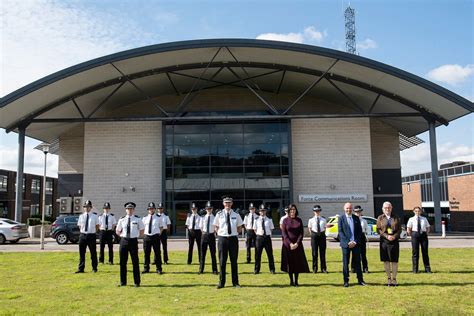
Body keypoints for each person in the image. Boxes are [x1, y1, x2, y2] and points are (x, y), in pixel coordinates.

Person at [213, 196, 243, 289]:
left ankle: (235, 282)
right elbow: (216, 226)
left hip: (233, 239)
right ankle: (221, 283)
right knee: (222, 261)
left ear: (232, 204)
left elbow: (239, 227)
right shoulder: (219, 214)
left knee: (234, 261)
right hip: (222, 239)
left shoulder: (236, 214)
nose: (227, 205)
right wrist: (221, 234)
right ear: (223, 204)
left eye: (229, 203)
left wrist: (233, 234)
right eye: (226, 203)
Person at [116, 202, 144, 287]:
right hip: (124, 241)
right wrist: (121, 235)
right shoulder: (122, 219)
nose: (129, 210)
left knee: (135, 262)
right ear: (125, 210)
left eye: (131, 209)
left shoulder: (137, 219)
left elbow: (142, 230)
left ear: (133, 210)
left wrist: (137, 236)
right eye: (128, 209)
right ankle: (123, 282)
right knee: (122, 262)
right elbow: (117, 230)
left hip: (133, 241)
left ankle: (137, 282)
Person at [338, 202, 366, 287]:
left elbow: (359, 232)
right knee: (345, 263)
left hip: (356, 244)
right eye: (347, 208)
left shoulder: (356, 218)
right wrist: (348, 242)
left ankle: (360, 280)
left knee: (358, 262)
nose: (348, 210)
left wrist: (355, 241)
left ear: (352, 209)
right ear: (344, 209)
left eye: (350, 208)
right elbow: (340, 232)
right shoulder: (341, 218)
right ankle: (346, 281)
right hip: (346, 245)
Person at [281, 204, 309, 287]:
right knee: (290, 263)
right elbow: (284, 234)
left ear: (296, 211)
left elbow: (301, 233)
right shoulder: (285, 220)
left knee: (297, 263)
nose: (292, 211)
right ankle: (291, 281)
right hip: (288, 246)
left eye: (294, 209)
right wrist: (290, 243)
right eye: (291, 210)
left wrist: (297, 243)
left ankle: (296, 281)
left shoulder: (299, 220)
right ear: (288, 211)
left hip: (297, 245)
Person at [376, 201, 402, 287]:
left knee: (394, 261)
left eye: (389, 207)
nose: (387, 209)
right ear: (383, 209)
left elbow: (399, 230)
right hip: (384, 242)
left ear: (391, 208)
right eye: (386, 208)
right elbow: (378, 229)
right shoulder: (380, 218)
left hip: (394, 242)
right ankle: (388, 278)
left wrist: (394, 236)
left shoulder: (396, 217)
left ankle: (394, 279)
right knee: (386, 261)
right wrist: (386, 236)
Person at [76, 200, 99, 273]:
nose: (87, 208)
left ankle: (94, 268)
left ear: (91, 208)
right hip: (83, 235)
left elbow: (97, 226)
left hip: (91, 235)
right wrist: (84, 232)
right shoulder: (81, 216)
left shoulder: (95, 216)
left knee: (93, 253)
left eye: (88, 207)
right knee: (82, 253)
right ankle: (81, 268)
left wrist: (92, 232)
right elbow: (80, 226)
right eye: (85, 207)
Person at [407, 206, 431, 273]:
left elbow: (428, 227)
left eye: (418, 211)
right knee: (415, 253)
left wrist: (426, 233)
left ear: (420, 211)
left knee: (425, 252)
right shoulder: (411, 219)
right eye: (416, 211)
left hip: (423, 235)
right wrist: (412, 235)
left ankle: (427, 269)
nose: (417, 212)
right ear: (414, 212)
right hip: (415, 235)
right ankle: (415, 270)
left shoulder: (424, 219)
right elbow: (408, 229)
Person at [141, 202, 163, 274]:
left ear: (155, 209)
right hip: (147, 237)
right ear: (148, 209)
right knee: (146, 253)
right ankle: (146, 268)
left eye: (152, 208)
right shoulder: (144, 218)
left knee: (157, 253)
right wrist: (144, 235)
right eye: (150, 209)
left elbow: (161, 227)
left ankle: (158, 268)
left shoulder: (158, 218)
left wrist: (158, 233)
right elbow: (142, 227)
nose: (151, 210)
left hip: (155, 236)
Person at [253, 204, 275, 274]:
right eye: (261, 211)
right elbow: (255, 229)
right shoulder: (256, 220)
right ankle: (256, 270)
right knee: (257, 255)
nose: (262, 212)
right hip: (259, 238)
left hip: (267, 238)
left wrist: (267, 234)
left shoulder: (269, 219)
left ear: (266, 211)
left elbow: (271, 229)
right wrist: (260, 234)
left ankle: (272, 269)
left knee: (270, 254)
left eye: (264, 211)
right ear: (259, 212)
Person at [307, 205, 327, 273]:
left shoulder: (323, 219)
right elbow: (309, 228)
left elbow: (325, 228)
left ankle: (323, 268)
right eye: (315, 211)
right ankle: (315, 268)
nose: (317, 212)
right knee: (314, 253)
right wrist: (312, 235)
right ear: (314, 212)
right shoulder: (311, 220)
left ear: (320, 211)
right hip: (314, 236)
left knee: (322, 253)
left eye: (318, 211)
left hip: (322, 236)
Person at [199, 201, 218, 275]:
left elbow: (216, 227)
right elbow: (201, 227)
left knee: (213, 254)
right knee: (202, 254)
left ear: (212, 209)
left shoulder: (215, 218)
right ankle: (201, 269)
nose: (209, 210)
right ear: (205, 209)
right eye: (207, 209)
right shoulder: (202, 217)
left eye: (210, 208)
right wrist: (204, 233)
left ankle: (215, 270)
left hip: (211, 235)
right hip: (204, 235)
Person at [351, 205, 369, 273]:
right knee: (354, 253)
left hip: (361, 236)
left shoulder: (364, 221)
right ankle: (353, 268)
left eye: (359, 212)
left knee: (363, 253)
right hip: (355, 237)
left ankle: (365, 268)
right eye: (356, 212)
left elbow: (366, 229)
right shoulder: (352, 220)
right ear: (354, 212)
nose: (358, 213)